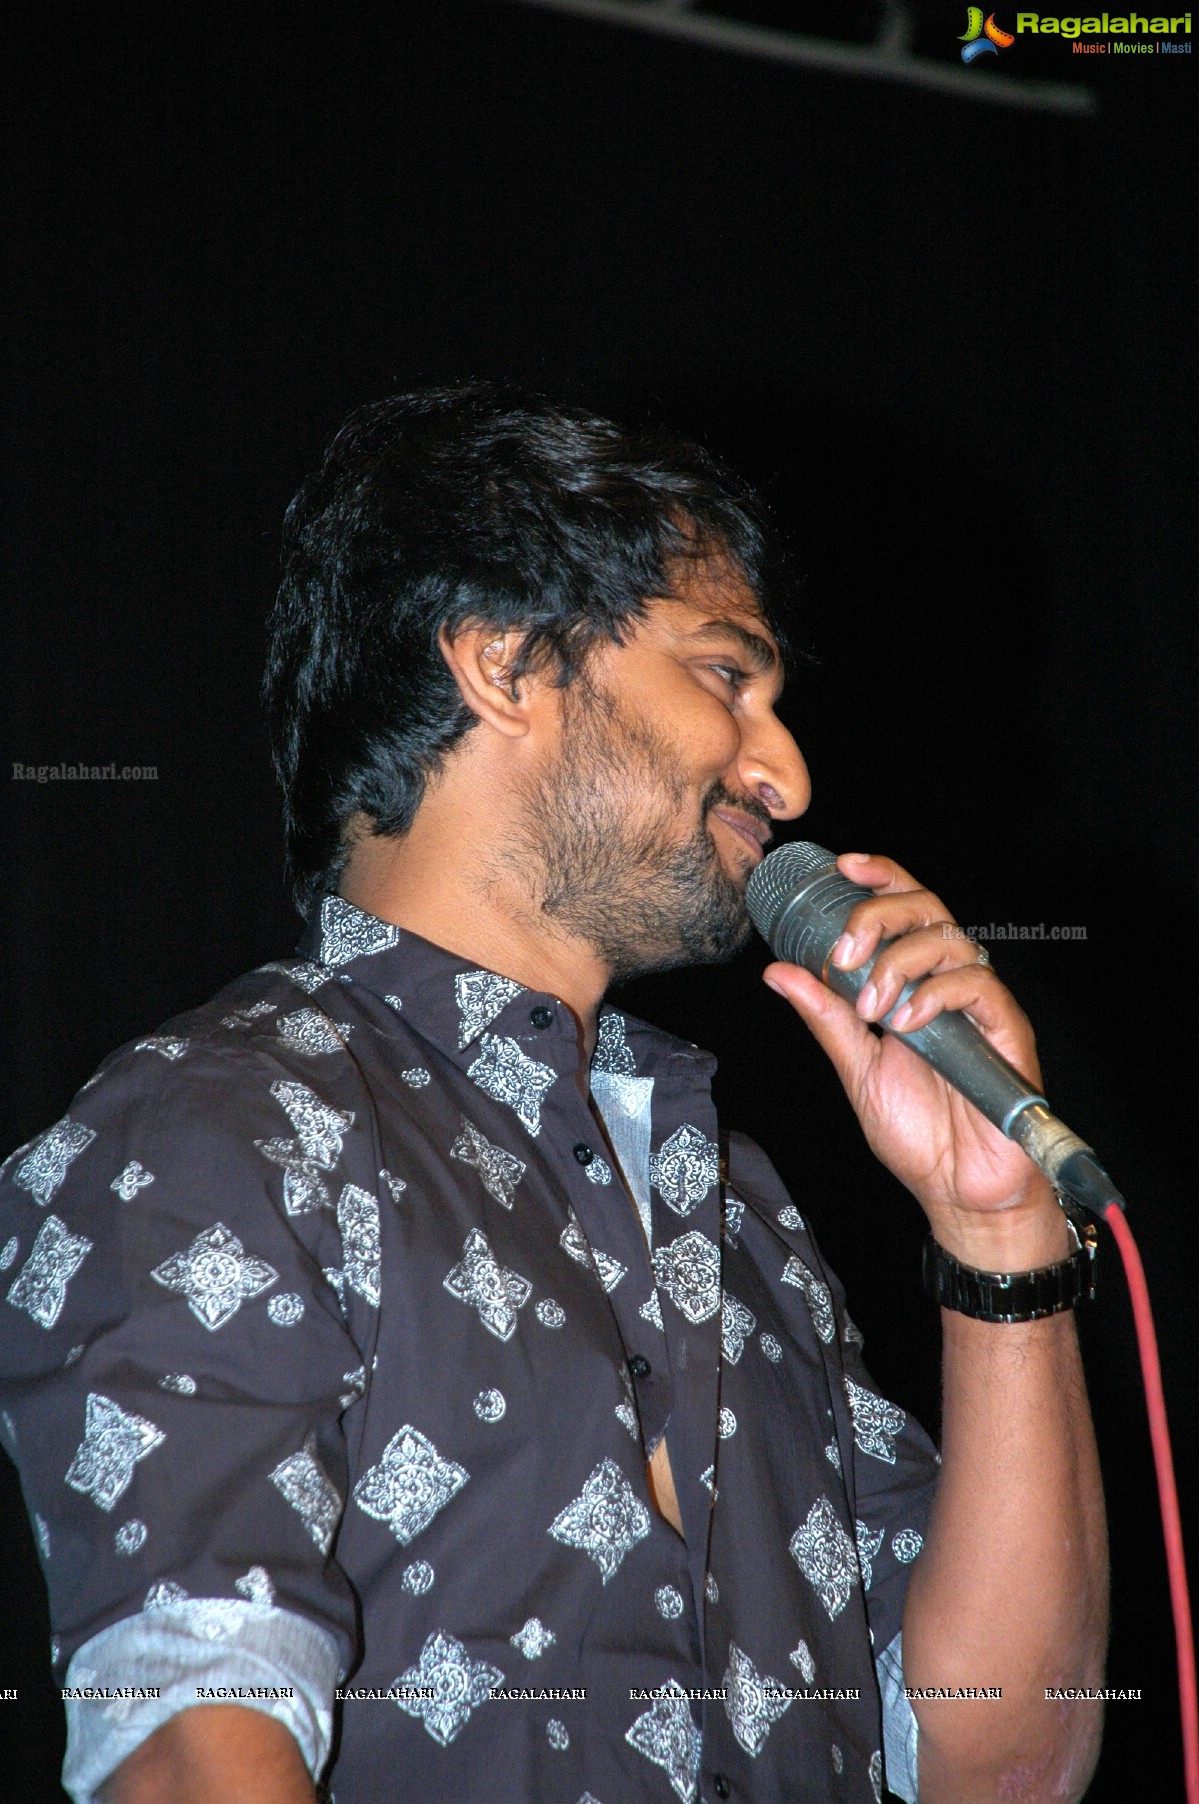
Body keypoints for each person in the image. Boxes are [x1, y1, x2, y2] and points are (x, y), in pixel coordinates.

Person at [0, 386, 1107, 1804]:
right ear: (505, 663)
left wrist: (996, 1233)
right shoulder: (211, 1129)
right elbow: (189, 1754)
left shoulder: (734, 1198)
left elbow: (1003, 1762)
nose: (786, 770)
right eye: (727, 676)